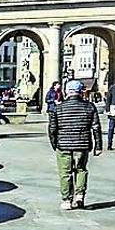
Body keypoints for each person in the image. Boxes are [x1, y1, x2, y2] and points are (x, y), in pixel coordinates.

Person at [48, 79, 102, 210]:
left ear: (67, 92)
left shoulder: (58, 108)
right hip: (82, 144)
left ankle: (66, 200)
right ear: (80, 92)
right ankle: (80, 196)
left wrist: (55, 144)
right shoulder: (90, 107)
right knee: (81, 170)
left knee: (65, 172)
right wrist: (98, 146)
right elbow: (96, 127)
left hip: (63, 145)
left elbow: (52, 129)